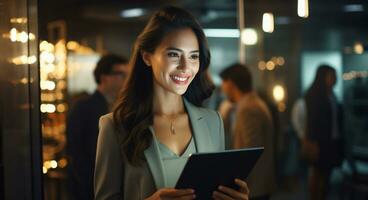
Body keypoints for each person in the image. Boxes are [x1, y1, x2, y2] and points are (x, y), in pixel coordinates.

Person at [94, 6, 250, 200]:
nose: (185, 67)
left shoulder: (212, 121)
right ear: (147, 57)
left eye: (193, 56)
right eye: (174, 54)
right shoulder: (115, 126)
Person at [66, 54, 128, 200]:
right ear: (104, 77)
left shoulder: (126, 107)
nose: (126, 79)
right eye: (121, 74)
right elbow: (75, 152)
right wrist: (90, 186)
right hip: (89, 187)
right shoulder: (83, 107)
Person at [220, 63, 275, 200]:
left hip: (253, 187)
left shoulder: (249, 109)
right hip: (257, 184)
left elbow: (249, 153)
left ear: (231, 83)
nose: (222, 88)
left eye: (224, 83)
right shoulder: (250, 104)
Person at [304, 65, 344, 200]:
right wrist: (313, 143)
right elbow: (312, 121)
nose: (334, 79)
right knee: (318, 176)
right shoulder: (314, 95)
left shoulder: (332, 95)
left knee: (326, 177)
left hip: (332, 141)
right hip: (320, 142)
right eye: (331, 76)